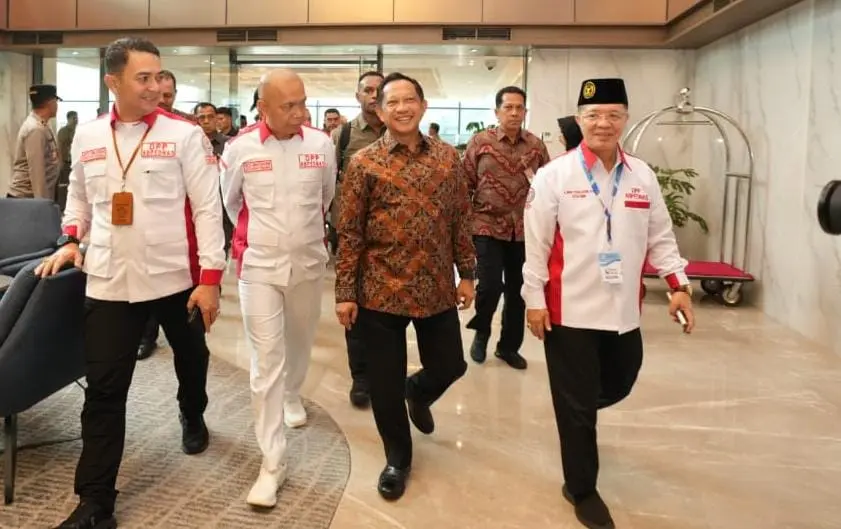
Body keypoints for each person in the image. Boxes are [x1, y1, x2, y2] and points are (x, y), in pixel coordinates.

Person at [37, 37, 225, 529]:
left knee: (192, 356)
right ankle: (95, 502)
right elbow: (79, 197)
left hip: (173, 277)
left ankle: (192, 412)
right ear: (113, 82)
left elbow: (208, 209)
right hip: (109, 279)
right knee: (103, 391)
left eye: (159, 76)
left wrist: (210, 278)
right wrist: (70, 238)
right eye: (143, 78)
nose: (156, 86)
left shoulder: (184, 135)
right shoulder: (88, 135)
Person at [522, 78, 695, 529]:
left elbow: (660, 236)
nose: (603, 123)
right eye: (594, 115)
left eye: (613, 115)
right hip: (569, 310)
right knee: (579, 407)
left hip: (623, 309)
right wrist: (534, 300)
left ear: (625, 119)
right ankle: (581, 488)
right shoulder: (554, 175)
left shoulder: (642, 175)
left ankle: (574, 409)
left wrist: (678, 284)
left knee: (621, 379)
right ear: (580, 120)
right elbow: (536, 246)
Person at [334, 72, 475, 501]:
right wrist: (345, 293)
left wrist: (468, 273)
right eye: (392, 102)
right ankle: (398, 457)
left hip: (435, 285)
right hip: (380, 289)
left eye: (409, 100)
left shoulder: (448, 158)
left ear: (423, 105)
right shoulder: (364, 163)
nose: (401, 108)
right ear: (380, 111)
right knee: (384, 384)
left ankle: (420, 390)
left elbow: (460, 219)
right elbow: (350, 232)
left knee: (451, 364)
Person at [221, 69, 336, 508]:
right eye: (288, 105)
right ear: (263, 108)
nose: (299, 112)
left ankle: (293, 392)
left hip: (307, 261)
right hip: (259, 266)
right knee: (265, 360)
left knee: (301, 338)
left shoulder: (320, 146)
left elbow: (326, 198)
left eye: (302, 102)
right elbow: (231, 201)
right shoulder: (240, 148)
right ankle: (272, 462)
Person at [463, 86, 550, 370]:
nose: (514, 113)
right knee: (489, 286)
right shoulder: (481, 142)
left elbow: (547, 186)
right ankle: (482, 331)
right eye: (508, 107)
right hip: (486, 225)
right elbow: (464, 183)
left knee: (518, 291)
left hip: (524, 230)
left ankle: (508, 347)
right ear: (497, 111)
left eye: (519, 108)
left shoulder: (536, 146)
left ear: (525, 111)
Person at [330, 70, 385, 409]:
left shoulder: (400, 130)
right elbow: (327, 182)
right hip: (352, 234)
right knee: (353, 303)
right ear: (358, 96)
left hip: (392, 236)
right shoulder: (344, 134)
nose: (374, 95)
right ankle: (361, 376)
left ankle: (385, 372)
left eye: (379, 90)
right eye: (367, 90)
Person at [8, 84, 61, 200]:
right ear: (50, 103)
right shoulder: (35, 129)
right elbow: (37, 173)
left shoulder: (42, 124)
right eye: (56, 101)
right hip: (25, 199)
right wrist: (42, 205)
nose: (57, 105)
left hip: (31, 198)